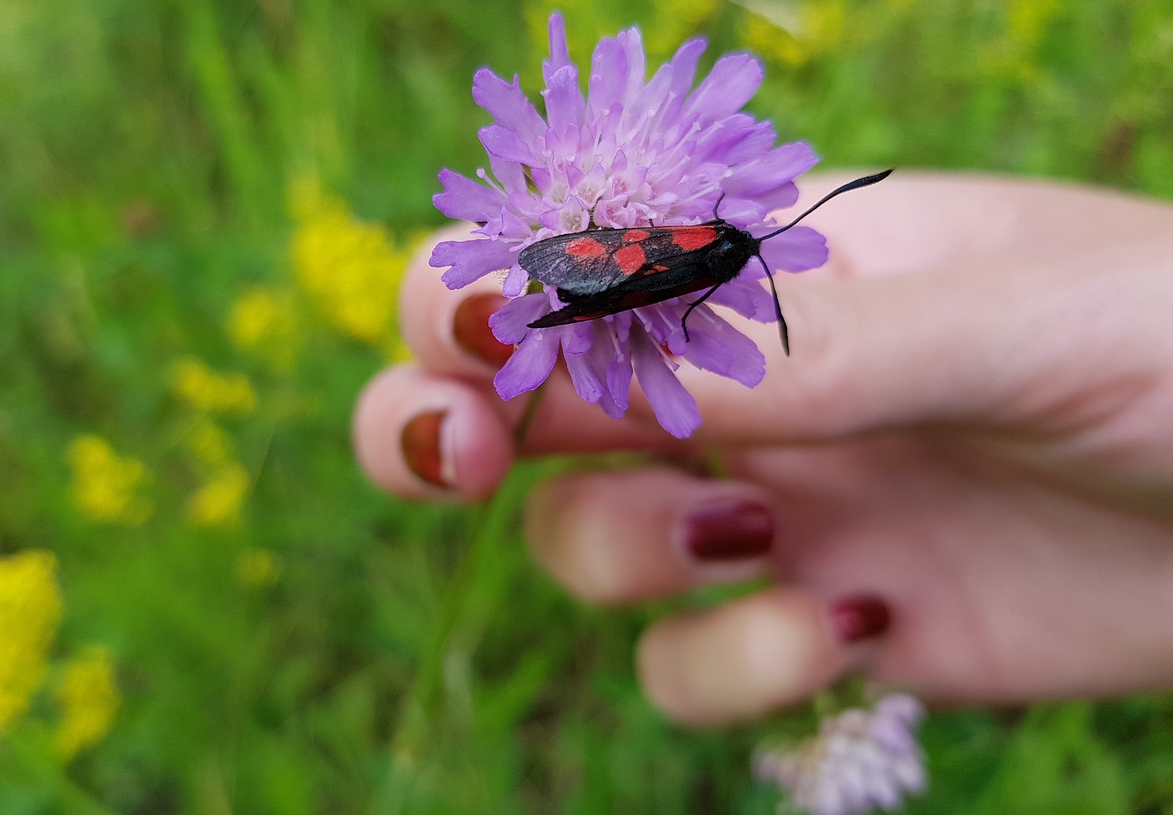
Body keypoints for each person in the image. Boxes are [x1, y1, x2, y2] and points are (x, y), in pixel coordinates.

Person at [353, 170, 1173, 727]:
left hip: (609, 259)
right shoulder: (707, 251)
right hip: (607, 262)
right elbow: (664, 259)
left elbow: (646, 258)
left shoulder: (705, 245)